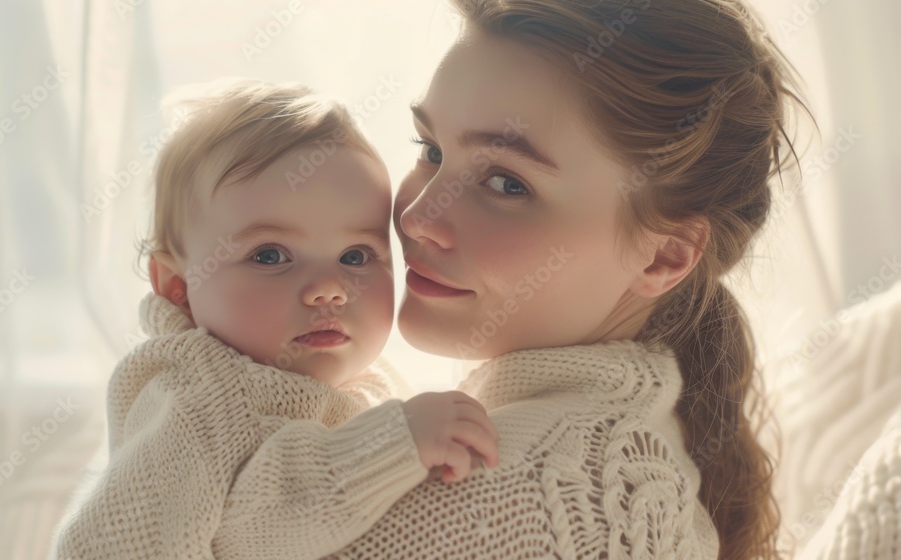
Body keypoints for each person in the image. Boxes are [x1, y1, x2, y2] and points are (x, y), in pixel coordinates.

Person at [306, 0, 807, 558]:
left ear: (664, 256)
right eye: (430, 150)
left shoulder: (514, 493)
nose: (417, 216)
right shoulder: (625, 444)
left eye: (507, 184)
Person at [51, 78, 499, 560]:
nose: (329, 287)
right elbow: (107, 545)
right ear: (178, 288)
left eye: (355, 255)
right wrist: (392, 444)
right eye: (270, 255)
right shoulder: (197, 393)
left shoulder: (366, 381)